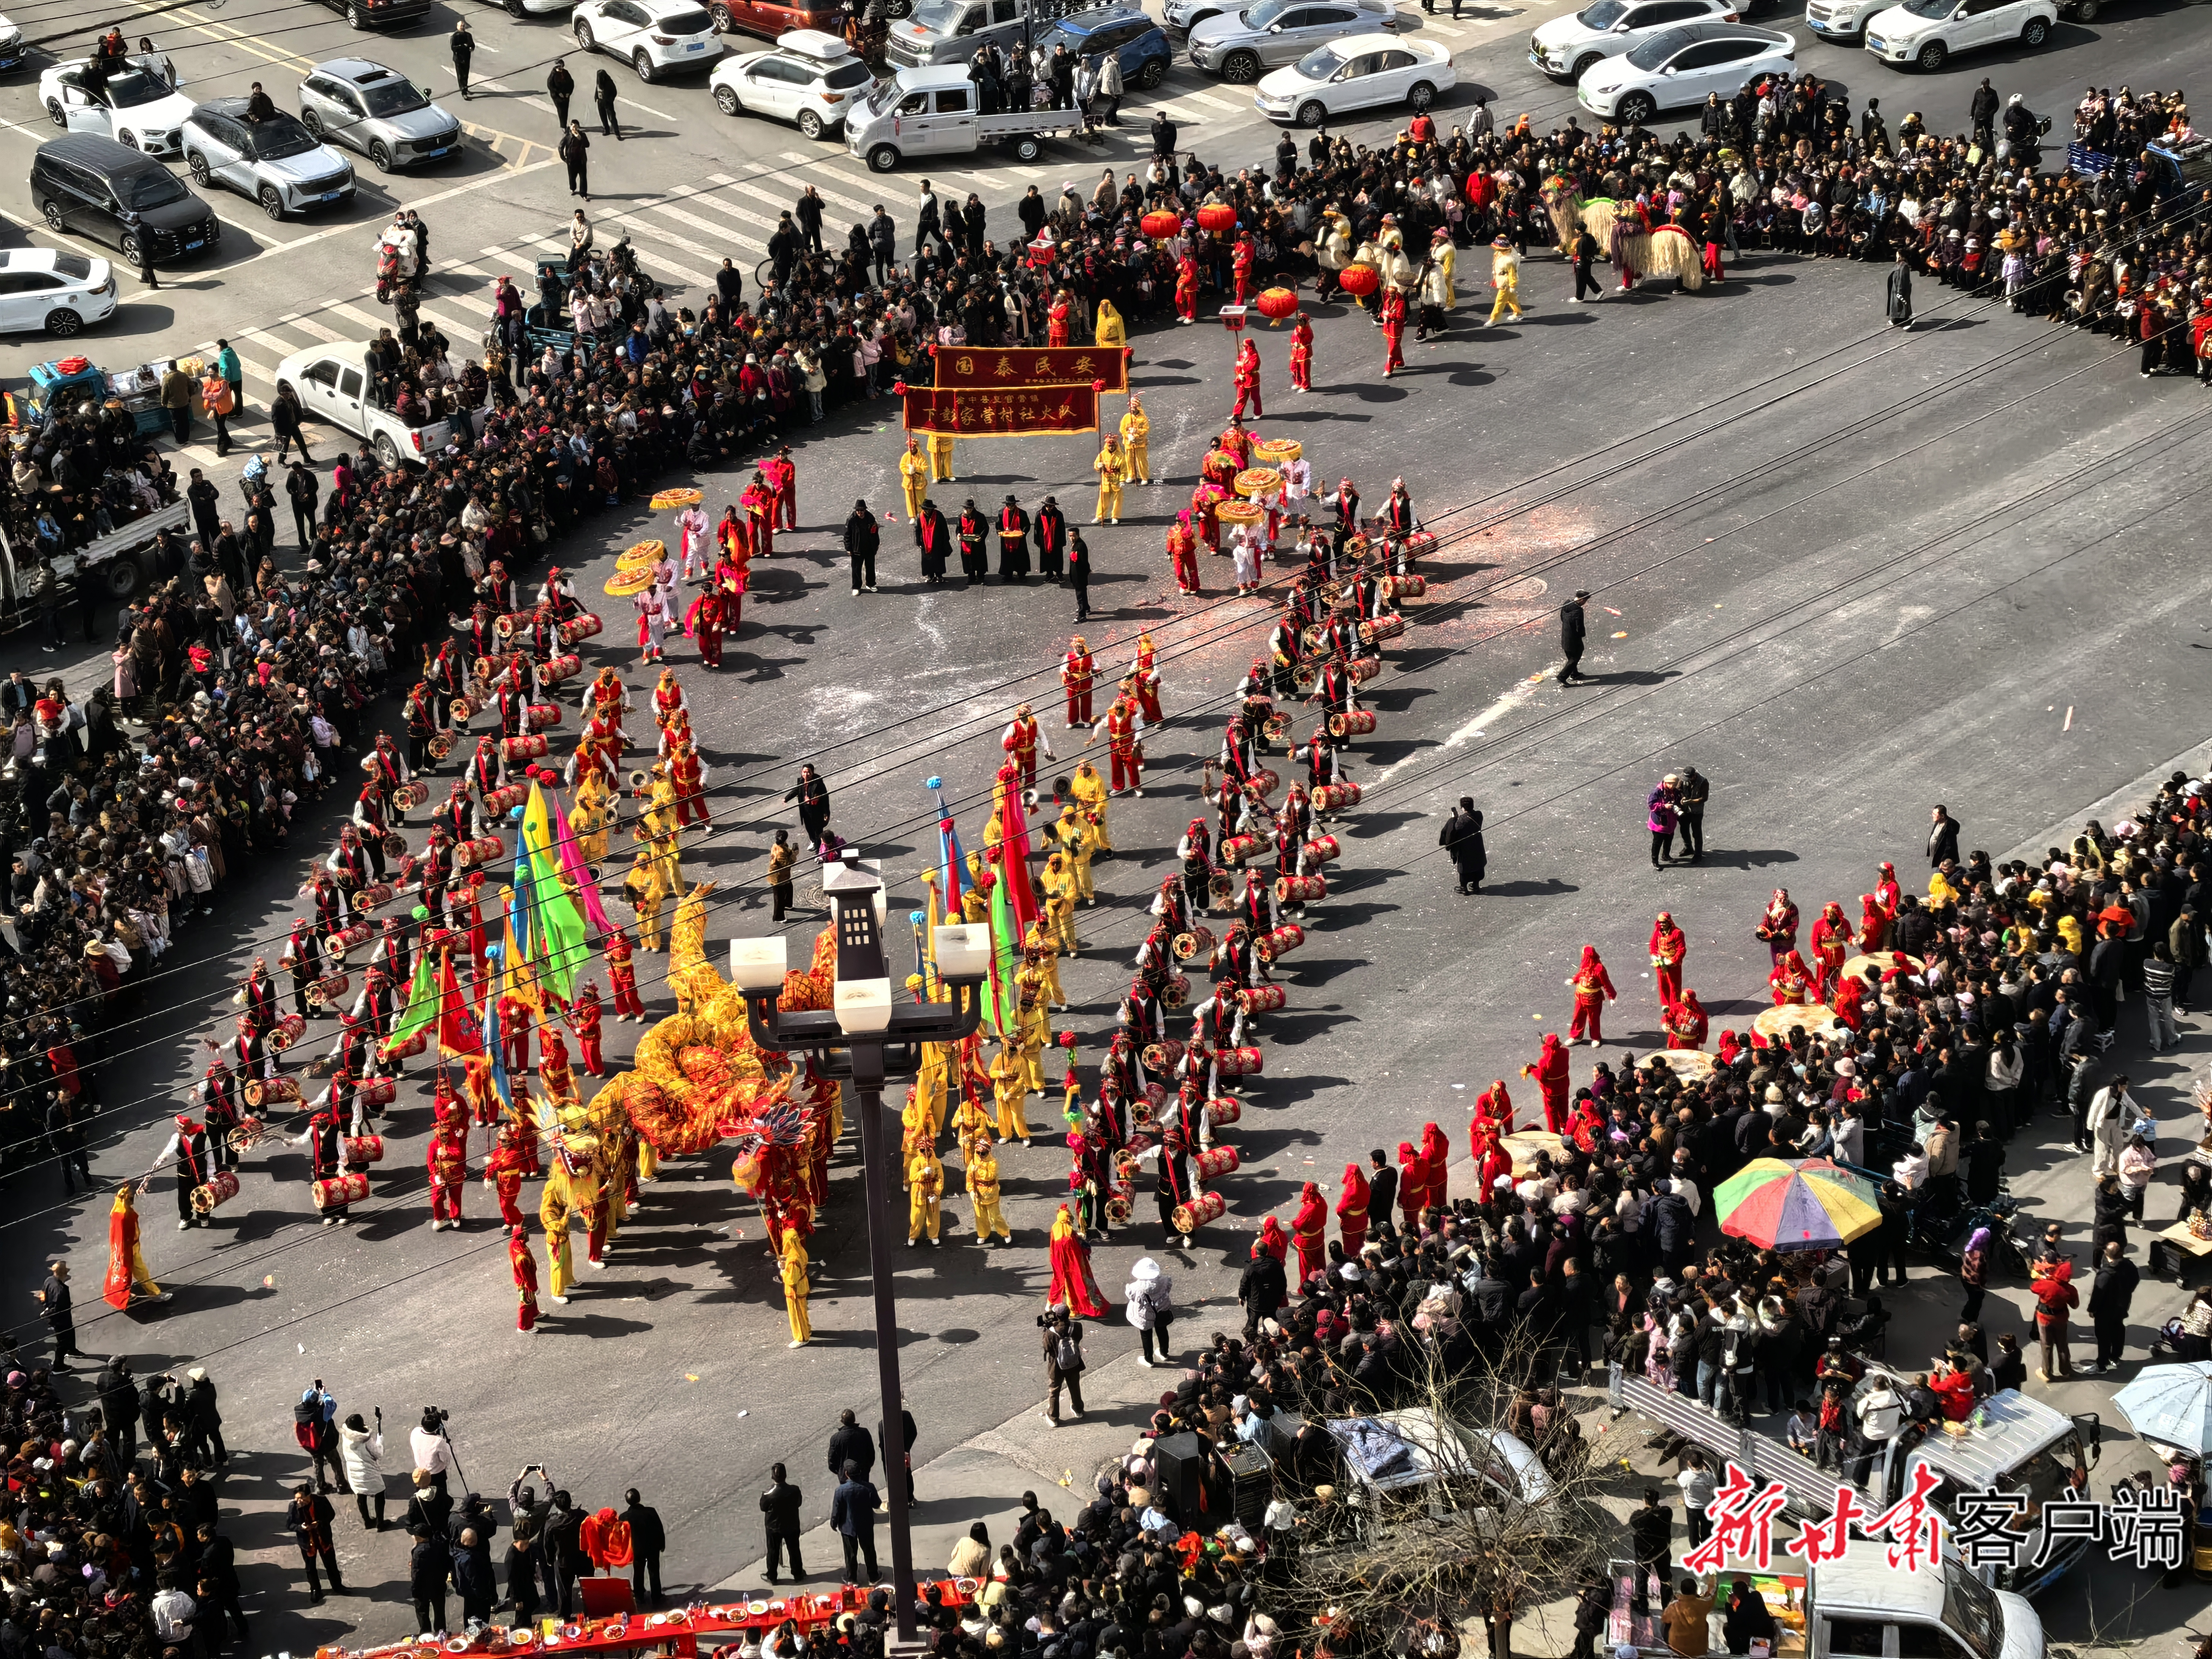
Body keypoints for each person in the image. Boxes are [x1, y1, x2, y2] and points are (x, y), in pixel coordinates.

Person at [287, 1482, 348, 1602]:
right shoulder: (293, 1507)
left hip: (323, 1538)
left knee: (331, 1564)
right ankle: (315, 1589)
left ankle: (337, 1586)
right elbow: (289, 1525)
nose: (298, 1501)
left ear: (309, 1495)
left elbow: (331, 1514)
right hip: (307, 1542)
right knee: (310, 1568)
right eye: (297, 1499)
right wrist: (301, 1528)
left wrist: (319, 1523)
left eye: (301, 1498)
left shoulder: (320, 1500)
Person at [830, 1460, 880, 1582]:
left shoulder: (841, 1491)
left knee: (851, 1554)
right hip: (866, 1526)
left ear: (846, 1474)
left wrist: (834, 1523)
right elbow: (877, 1504)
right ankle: (873, 1577)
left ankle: (852, 1578)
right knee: (869, 1551)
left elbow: (836, 1510)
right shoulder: (869, 1488)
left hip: (848, 1527)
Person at [35, 1258, 87, 1371]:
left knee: (70, 1331)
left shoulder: (49, 1280)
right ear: (64, 1274)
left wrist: (45, 1306)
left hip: (61, 1316)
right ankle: (58, 1366)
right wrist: (47, 1313)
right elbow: (57, 1309)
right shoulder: (60, 1291)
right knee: (62, 1341)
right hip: (60, 1319)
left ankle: (71, 1349)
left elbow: (43, 1295)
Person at [762, 1462, 804, 1583]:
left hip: (774, 1527)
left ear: (772, 1477)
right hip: (792, 1525)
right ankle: (798, 1573)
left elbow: (763, 1508)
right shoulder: (794, 1490)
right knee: (794, 1550)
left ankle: (772, 1576)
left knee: (773, 1551)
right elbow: (799, 1503)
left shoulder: (768, 1494)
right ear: (786, 1476)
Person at [1043, 1305, 1086, 1422]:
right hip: (1073, 1362)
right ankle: (1078, 1410)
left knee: (1054, 1389)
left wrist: (1046, 1330)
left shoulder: (1051, 1332)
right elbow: (1078, 1339)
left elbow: (1047, 1347)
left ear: (1056, 1316)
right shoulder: (1077, 1326)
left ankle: (1053, 1417)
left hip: (1056, 1365)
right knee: (1074, 1386)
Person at [621, 1488, 665, 1604]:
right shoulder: (651, 1512)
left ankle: (639, 1595)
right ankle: (657, 1596)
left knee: (638, 1572)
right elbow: (659, 1528)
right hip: (653, 1548)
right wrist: (662, 1544)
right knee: (654, 1572)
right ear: (639, 1498)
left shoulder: (625, 1517)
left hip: (637, 1550)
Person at [1440, 798, 1486, 893]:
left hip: (1466, 847)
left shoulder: (1461, 821)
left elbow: (1453, 830)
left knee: (1465, 866)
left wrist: (1453, 819)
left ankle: (1463, 888)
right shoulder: (1479, 815)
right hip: (1477, 845)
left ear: (1463, 808)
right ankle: (1476, 886)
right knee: (1478, 864)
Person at [1662, 1577, 1713, 1659]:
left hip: (1677, 1648)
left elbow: (1664, 1619)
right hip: (1699, 1650)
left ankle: (1670, 1646)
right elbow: (1711, 1596)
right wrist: (1713, 1579)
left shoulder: (1674, 1606)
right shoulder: (1703, 1605)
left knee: (1667, 1624)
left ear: (1682, 1591)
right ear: (1696, 1590)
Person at [845, 499, 879, 596]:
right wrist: (849, 548)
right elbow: (847, 536)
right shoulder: (852, 520)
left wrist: (876, 545)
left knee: (871, 567)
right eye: (858, 511)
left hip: (869, 548)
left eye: (862, 511)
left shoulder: (870, 518)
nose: (860, 513)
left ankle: (871, 584)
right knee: (856, 569)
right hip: (857, 549)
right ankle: (856, 587)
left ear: (865, 510)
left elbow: (875, 532)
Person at [1558, 589, 1589, 683]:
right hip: (1574, 639)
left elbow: (1562, 617)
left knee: (1570, 657)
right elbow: (1579, 626)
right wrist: (1582, 635)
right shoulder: (1578, 611)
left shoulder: (1567, 604)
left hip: (1565, 636)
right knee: (1575, 658)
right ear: (1582, 600)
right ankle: (1562, 677)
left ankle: (1575, 674)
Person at [559, 120, 591, 199]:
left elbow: (587, 145)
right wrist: (563, 158)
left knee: (583, 177)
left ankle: (583, 194)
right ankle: (573, 188)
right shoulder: (568, 137)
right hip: (571, 161)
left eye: (576, 127)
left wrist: (580, 138)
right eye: (573, 127)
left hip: (581, 160)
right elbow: (561, 147)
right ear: (571, 128)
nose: (575, 128)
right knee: (572, 177)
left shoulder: (583, 135)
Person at [1887, 249, 1914, 329]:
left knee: (1900, 304)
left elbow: (1902, 279)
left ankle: (1901, 320)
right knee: (1897, 305)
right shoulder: (1900, 265)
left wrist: (1900, 291)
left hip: (1899, 289)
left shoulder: (1904, 266)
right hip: (1896, 288)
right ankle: (1898, 319)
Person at [450, 19, 474, 98]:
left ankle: (466, 87)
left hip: (467, 58)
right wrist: (462, 47)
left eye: (463, 26)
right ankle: (463, 92)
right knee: (461, 75)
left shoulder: (468, 35)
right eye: (461, 26)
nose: (462, 27)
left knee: (466, 74)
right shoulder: (455, 37)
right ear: (458, 27)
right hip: (459, 59)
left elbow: (472, 45)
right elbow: (453, 48)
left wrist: (471, 48)